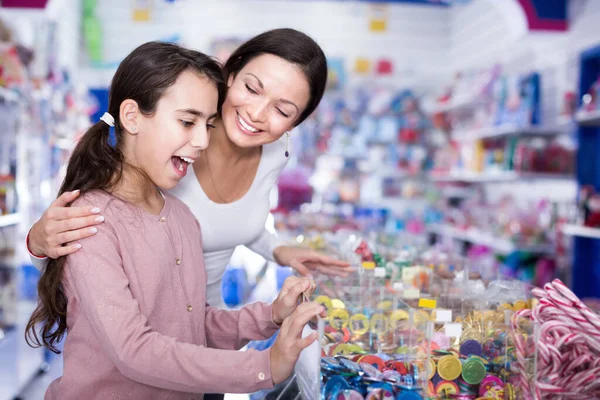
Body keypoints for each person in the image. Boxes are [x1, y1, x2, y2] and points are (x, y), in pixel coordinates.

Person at [25, 41, 323, 399]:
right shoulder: (92, 221)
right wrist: (263, 366)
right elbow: (134, 350)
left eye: (208, 124)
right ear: (132, 117)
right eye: (187, 121)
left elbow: (193, 327)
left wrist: (270, 315)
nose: (201, 141)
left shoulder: (181, 217)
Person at [26, 28, 350, 310]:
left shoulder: (275, 152)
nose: (257, 113)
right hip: (142, 347)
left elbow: (232, 222)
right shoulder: (163, 149)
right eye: (252, 89)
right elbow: (77, 256)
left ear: (297, 122)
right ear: (231, 73)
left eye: (282, 109)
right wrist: (38, 244)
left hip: (208, 332)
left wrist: (280, 250)